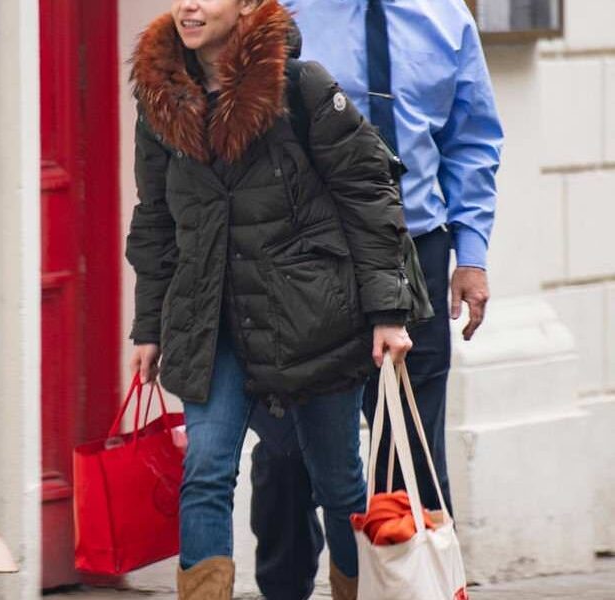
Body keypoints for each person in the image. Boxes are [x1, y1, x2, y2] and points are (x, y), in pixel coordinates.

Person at [126, 1, 429, 598]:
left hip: (311, 316)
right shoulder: (159, 103)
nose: (188, 6)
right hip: (210, 321)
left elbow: (368, 193)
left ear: (243, 6)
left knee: (338, 482)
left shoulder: (302, 87)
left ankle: (358, 589)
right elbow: (156, 221)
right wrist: (148, 327)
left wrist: (387, 312)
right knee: (206, 471)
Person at [248, 1, 504, 598]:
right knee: (287, 454)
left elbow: (471, 141)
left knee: (408, 454)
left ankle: (399, 588)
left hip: (414, 250)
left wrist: (470, 255)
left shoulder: (447, 18)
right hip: (303, 259)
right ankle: (286, 585)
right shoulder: (279, 13)